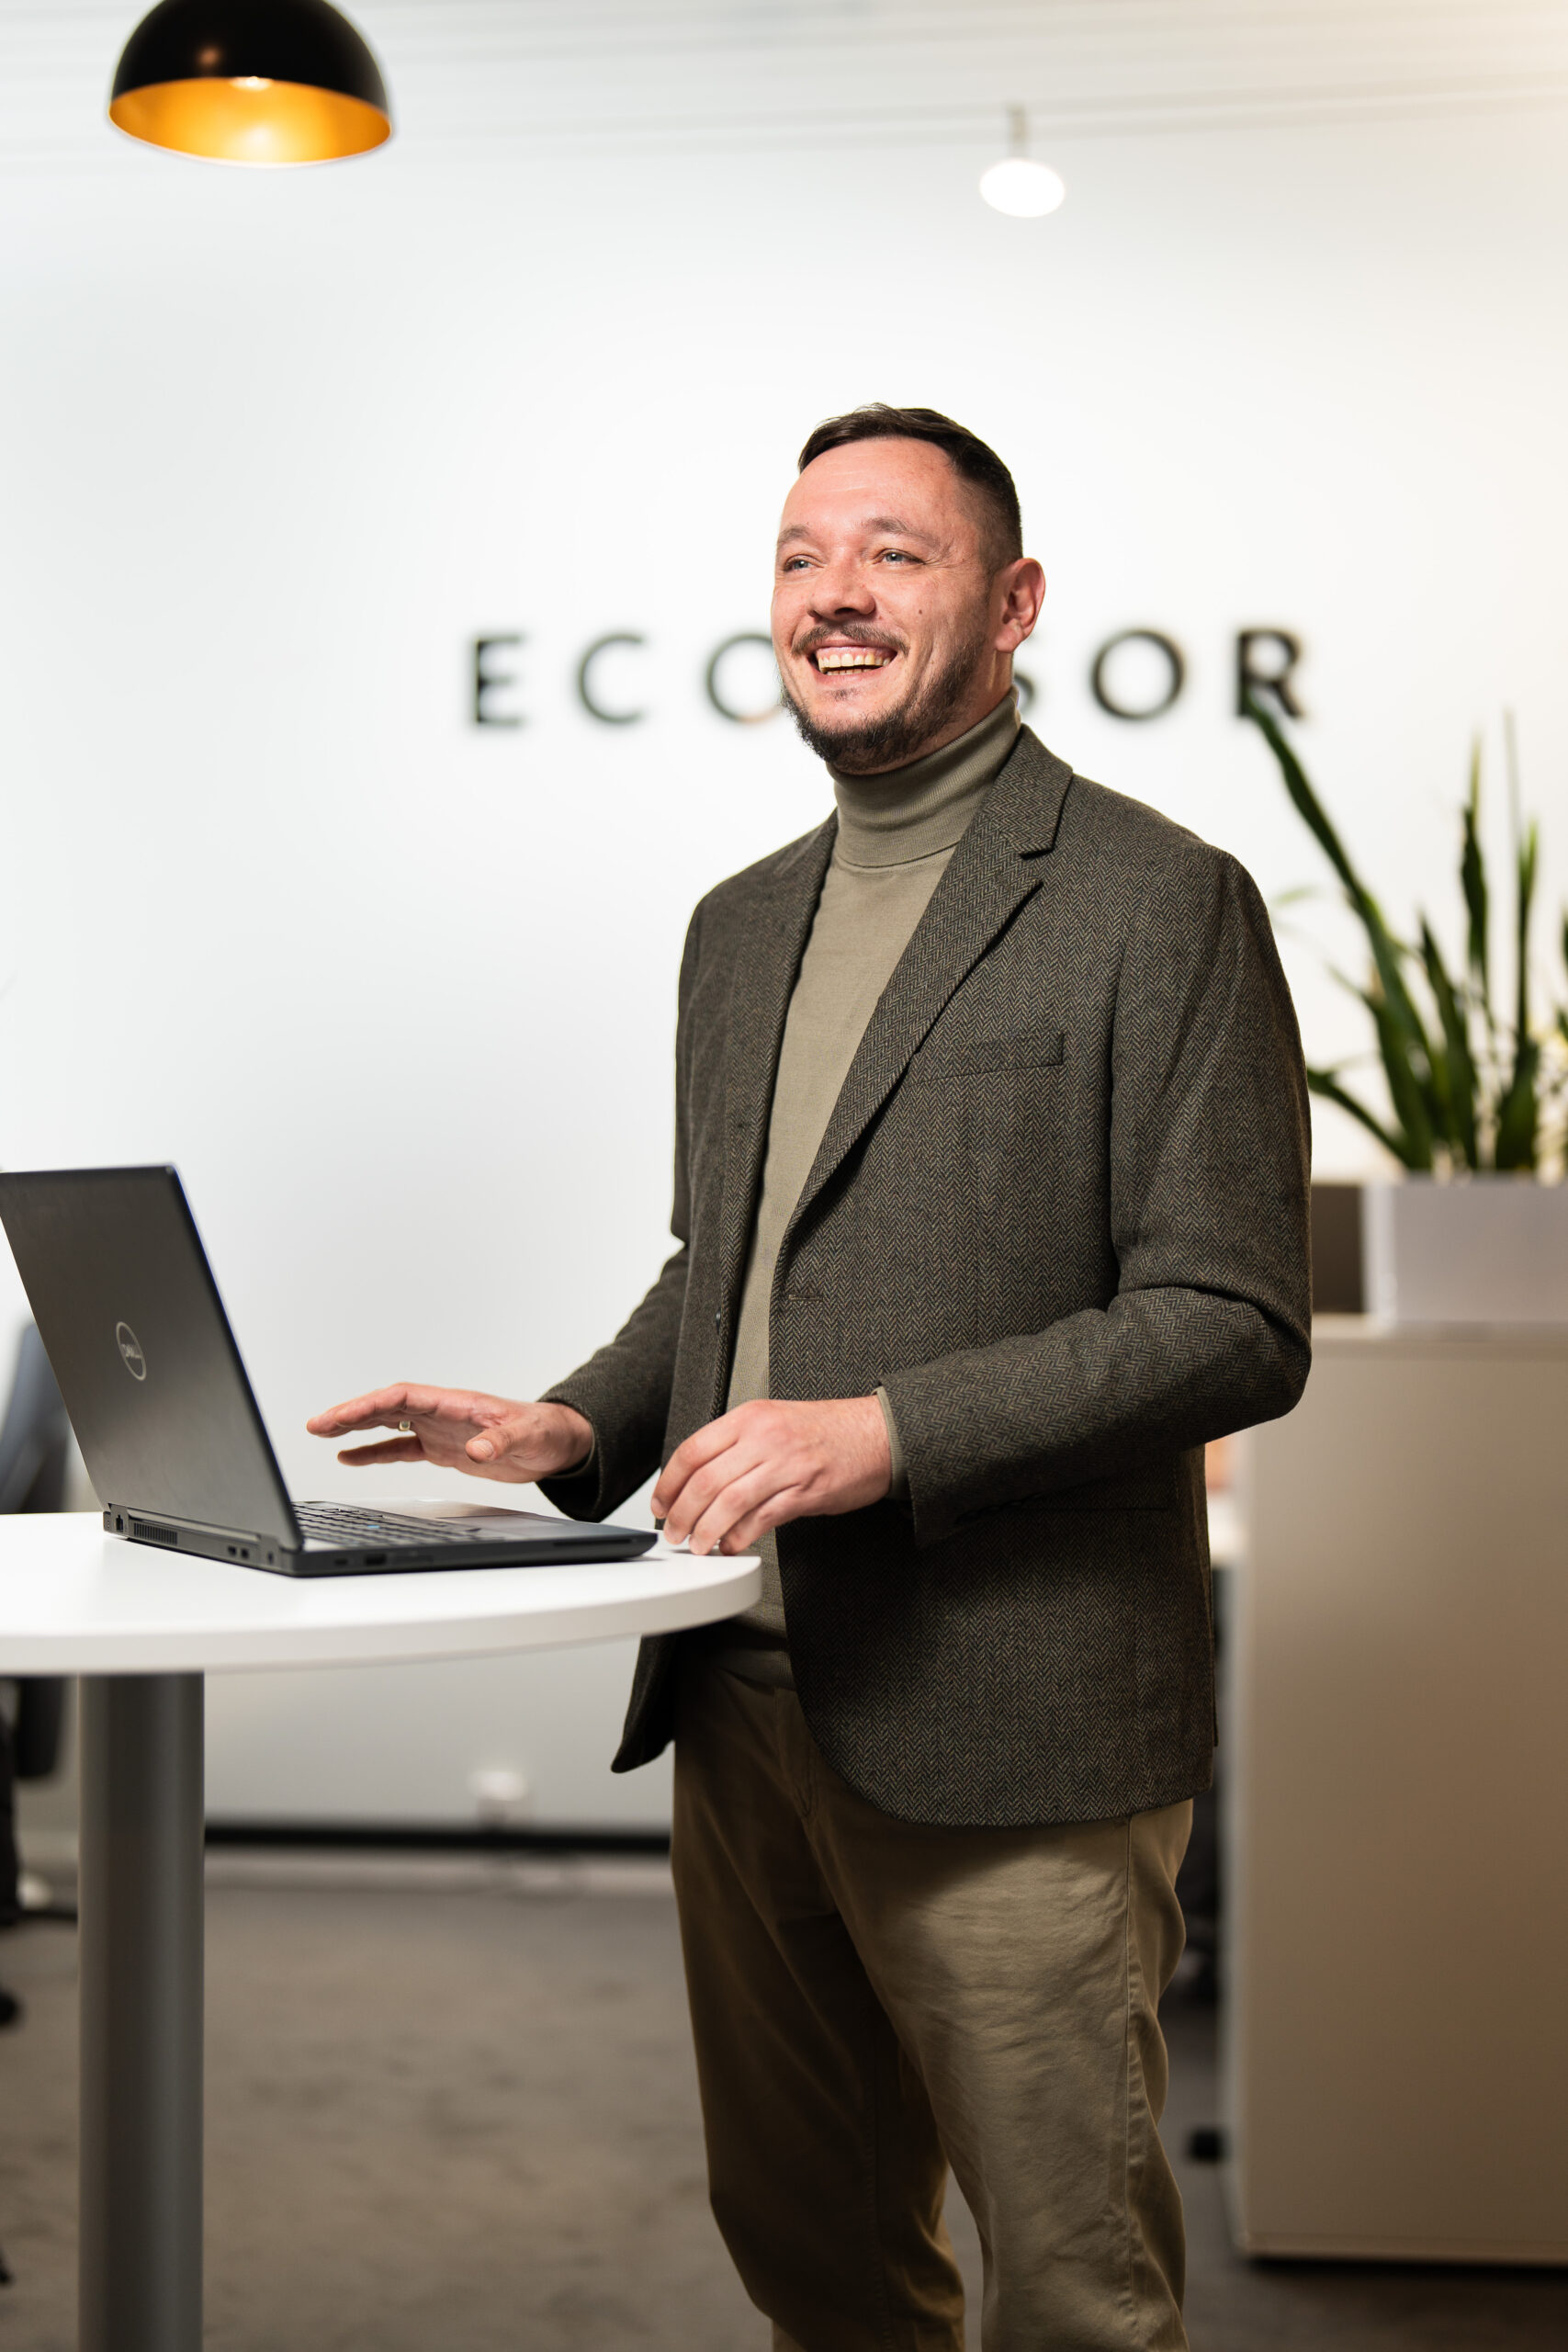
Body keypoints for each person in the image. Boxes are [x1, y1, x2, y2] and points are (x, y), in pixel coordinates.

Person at [309, 404, 1312, 2351]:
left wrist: (889, 1432)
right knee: (819, 2266)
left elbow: (1229, 1315)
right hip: (741, 1697)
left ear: (1011, 602)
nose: (831, 595)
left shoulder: (1151, 899)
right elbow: (730, 1262)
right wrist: (579, 1421)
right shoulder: (738, 920)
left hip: (1008, 1716)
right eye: (795, 557)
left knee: (1072, 2294)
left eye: (891, 553)